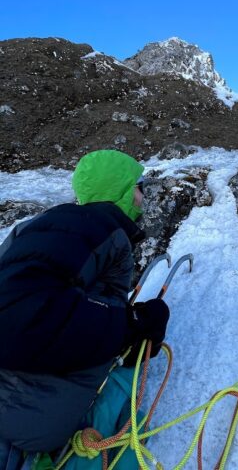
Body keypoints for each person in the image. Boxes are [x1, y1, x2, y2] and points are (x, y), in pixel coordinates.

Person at [0, 149, 170, 464]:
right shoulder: (97, 227)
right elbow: (19, 315)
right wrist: (129, 325)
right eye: (139, 185)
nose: (143, 195)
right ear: (120, 188)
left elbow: (53, 303)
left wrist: (120, 332)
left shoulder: (36, 228)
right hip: (19, 432)